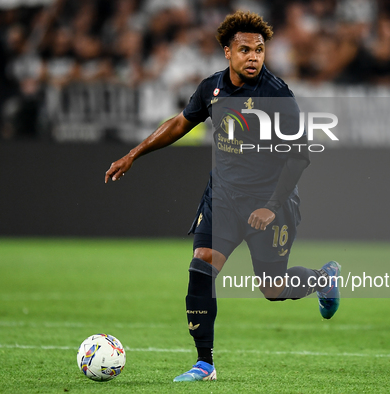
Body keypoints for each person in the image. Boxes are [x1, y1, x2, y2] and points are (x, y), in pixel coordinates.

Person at [105, 11, 341, 382]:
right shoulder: (211, 88)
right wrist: (134, 153)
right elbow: (180, 124)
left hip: (270, 203)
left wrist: (271, 205)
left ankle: (321, 279)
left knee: (273, 289)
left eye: (260, 50)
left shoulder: (277, 96)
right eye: (245, 49)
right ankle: (204, 363)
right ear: (227, 52)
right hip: (224, 200)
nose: (253, 57)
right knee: (201, 266)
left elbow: (300, 156)